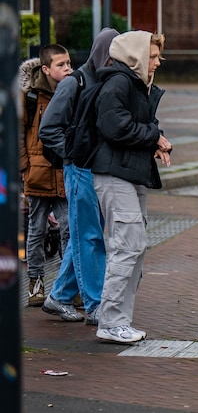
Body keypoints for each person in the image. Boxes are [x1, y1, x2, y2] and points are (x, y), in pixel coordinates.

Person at [89, 30, 171, 344]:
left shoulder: (133, 83)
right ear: (135, 55)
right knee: (127, 247)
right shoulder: (118, 82)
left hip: (128, 172)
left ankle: (120, 320)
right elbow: (113, 126)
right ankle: (110, 321)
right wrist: (154, 137)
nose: (157, 62)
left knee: (134, 247)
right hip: (114, 173)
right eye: (152, 56)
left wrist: (153, 140)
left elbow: (128, 126)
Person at [39, 28, 120, 324]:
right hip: (80, 168)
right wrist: (73, 154)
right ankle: (95, 304)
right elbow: (48, 129)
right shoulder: (75, 83)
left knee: (85, 235)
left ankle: (59, 296)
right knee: (89, 235)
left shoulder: (103, 78)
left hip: (92, 167)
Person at [19, 44, 74, 308]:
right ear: (46, 69)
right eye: (61, 65)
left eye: (69, 64)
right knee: (36, 230)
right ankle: (36, 282)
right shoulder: (30, 97)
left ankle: (66, 284)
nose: (68, 69)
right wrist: (25, 168)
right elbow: (20, 135)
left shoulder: (74, 90)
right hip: (38, 174)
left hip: (64, 173)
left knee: (68, 228)